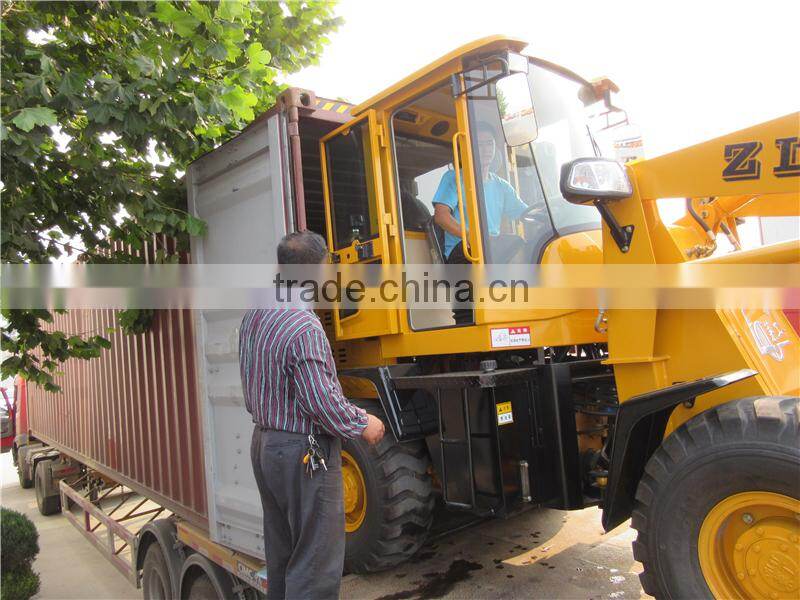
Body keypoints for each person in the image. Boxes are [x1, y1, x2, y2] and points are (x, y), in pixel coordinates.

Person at [239, 231, 385, 600]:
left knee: (284, 554)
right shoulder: (304, 326)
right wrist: (362, 422)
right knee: (316, 564)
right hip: (302, 454)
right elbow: (322, 404)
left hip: (265, 445)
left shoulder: (256, 311)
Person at [432, 121, 532, 266]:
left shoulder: (501, 186)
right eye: (479, 145)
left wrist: (549, 213)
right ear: (470, 148)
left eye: (489, 144)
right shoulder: (454, 178)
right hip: (463, 250)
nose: (486, 149)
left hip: (491, 249)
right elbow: (441, 216)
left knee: (521, 245)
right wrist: (469, 236)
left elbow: (526, 213)